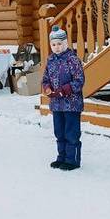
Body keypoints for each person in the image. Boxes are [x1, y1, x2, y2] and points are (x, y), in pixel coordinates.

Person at [42, 26, 85, 170]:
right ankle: (62, 157)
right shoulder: (50, 60)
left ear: (65, 43)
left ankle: (72, 160)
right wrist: (47, 88)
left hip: (71, 104)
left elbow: (79, 80)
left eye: (59, 44)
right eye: (54, 44)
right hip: (56, 104)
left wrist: (64, 90)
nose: (57, 47)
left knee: (71, 132)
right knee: (59, 131)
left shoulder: (72, 60)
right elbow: (45, 78)